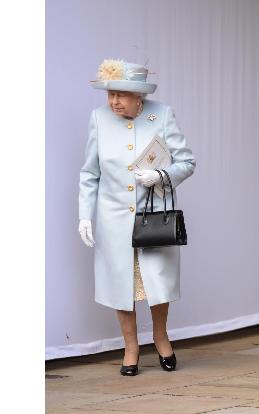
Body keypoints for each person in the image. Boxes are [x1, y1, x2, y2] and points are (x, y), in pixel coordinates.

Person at [78, 59, 195, 376]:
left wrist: (160, 174)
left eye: (121, 94)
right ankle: (130, 347)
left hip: (153, 218)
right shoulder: (99, 119)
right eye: (110, 94)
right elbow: (90, 174)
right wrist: (85, 216)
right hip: (113, 220)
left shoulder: (162, 114)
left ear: (139, 96)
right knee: (120, 284)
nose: (113, 101)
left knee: (157, 282)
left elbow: (186, 162)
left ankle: (161, 337)